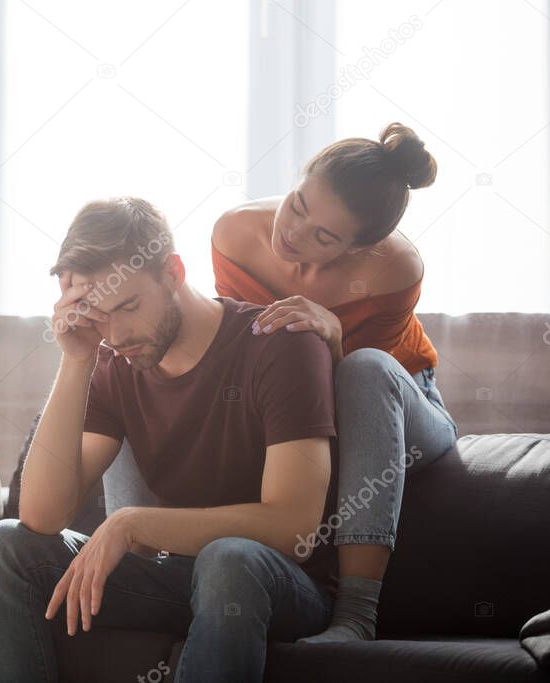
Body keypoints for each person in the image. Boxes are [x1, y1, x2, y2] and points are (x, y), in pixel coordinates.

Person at [0, 196, 340, 682]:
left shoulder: (280, 341)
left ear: (174, 272)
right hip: (180, 582)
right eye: (99, 315)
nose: (116, 334)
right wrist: (77, 359)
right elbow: (42, 517)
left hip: (284, 585)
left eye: (128, 306)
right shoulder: (114, 362)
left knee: (228, 558)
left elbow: (295, 528)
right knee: (0, 549)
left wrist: (132, 524)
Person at [211, 122, 459, 643]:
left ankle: (356, 616)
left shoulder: (395, 269)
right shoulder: (235, 236)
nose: (294, 234)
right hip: (302, 405)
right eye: (298, 204)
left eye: (324, 236)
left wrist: (336, 340)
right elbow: (258, 370)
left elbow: (361, 406)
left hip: (404, 405)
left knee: (363, 366)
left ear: (359, 247)